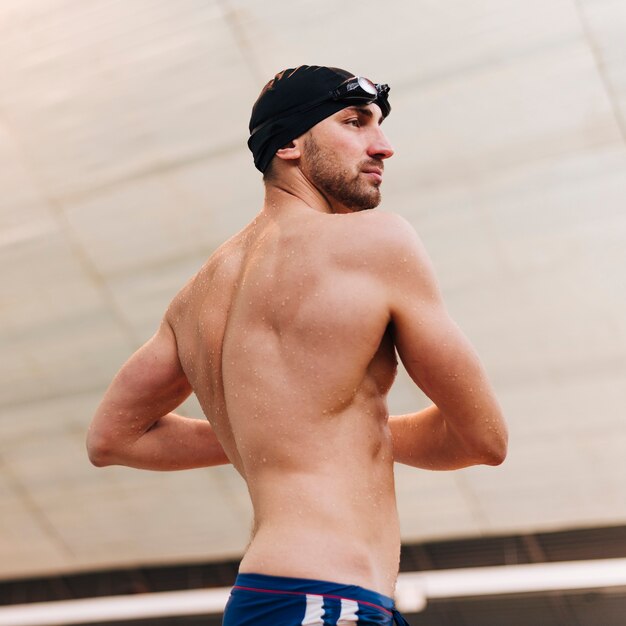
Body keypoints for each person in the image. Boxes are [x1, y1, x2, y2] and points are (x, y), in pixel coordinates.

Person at [86, 65, 508, 626]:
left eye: (377, 125)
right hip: (328, 598)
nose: (383, 146)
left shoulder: (195, 299)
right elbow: (482, 438)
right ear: (288, 143)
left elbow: (111, 439)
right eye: (354, 122)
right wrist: (322, 432)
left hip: (272, 594)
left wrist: (281, 433)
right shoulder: (377, 242)